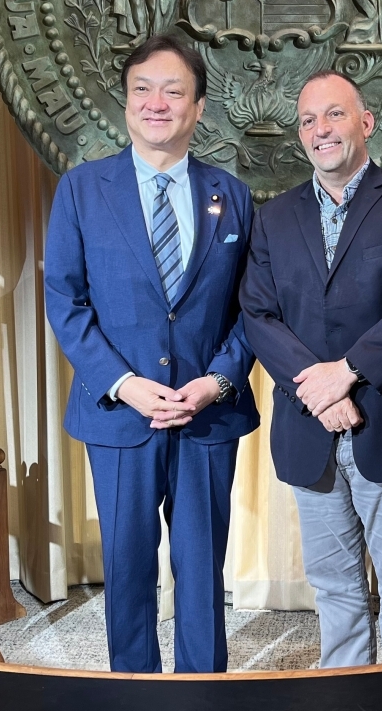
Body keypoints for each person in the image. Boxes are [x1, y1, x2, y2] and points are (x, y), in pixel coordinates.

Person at [44, 34, 258, 673]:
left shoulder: (233, 195)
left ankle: (204, 694)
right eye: (142, 90)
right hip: (119, 417)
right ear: (126, 102)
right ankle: (133, 693)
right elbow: (66, 302)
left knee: (202, 569)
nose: (156, 103)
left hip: (206, 415)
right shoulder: (81, 190)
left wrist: (217, 382)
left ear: (198, 107)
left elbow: (254, 309)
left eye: (173, 91)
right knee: (127, 568)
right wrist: (125, 384)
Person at [240, 69, 382, 667]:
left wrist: (348, 372)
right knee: (335, 592)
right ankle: (343, 696)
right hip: (310, 429)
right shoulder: (273, 218)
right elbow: (258, 314)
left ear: (365, 123)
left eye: (335, 114)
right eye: (308, 120)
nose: (322, 129)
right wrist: (319, 389)